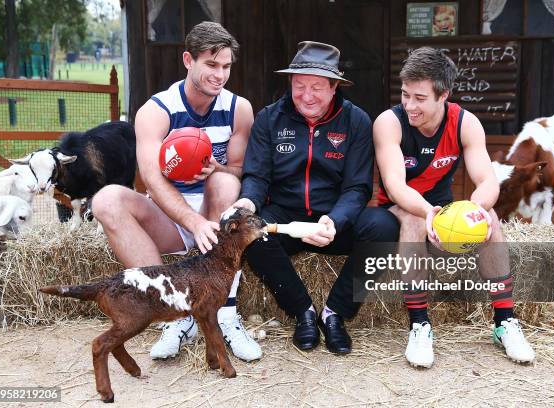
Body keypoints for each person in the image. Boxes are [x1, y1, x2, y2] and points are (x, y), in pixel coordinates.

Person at [92, 21, 261, 362]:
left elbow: (242, 170)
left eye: (226, 66)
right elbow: (153, 180)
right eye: (211, 65)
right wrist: (192, 223)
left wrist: (219, 168)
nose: (220, 75)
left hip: (217, 211)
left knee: (226, 181)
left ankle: (225, 314)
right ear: (188, 60)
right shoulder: (157, 111)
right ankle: (177, 315)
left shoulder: (238, 108)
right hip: (170, 214)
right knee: (107, 199)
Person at [232, 41, 398, 354]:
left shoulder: (357, 121)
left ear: (335, 87)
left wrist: (335, 220)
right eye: (299, 86)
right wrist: (249, 202)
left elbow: (358, 187)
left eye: (317, 87)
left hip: (334, 221)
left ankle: (336, 313)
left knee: (384, 226)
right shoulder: (268, 119)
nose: (307, 96)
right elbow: (256, 176)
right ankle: (303, 312)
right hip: (286, 221)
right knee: (246, 232)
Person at [373, 47, 535, 367]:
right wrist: (427, 212)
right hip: (398, 208)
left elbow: (487, 181)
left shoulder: (466, 122)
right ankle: (420, 324)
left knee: (488, 216)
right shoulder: (388, 122)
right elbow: (395, 185)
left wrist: (476, 209)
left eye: (420, 97)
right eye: (405, 95)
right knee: (415, 220)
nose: (409, 104)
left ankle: (504, 322)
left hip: (441, 205)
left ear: (443, 94)